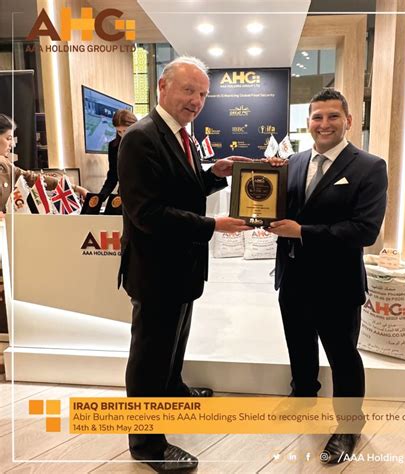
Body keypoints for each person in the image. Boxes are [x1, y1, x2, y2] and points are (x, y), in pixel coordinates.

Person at [118, 56, 250, 472]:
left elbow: (181, 188)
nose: (196, 101)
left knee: (175, 340)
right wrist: (213, 225)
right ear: (162, 86)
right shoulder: (141, 138)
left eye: (203, 94)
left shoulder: (181, 136)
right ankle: (146, 443)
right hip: (155, 269)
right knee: (149, 356)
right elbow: (148, 213)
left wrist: (215, 174)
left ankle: (173, 389)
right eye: (189, 90)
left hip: (182, 265)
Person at [269, 89, 388, 464]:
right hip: (293, 276)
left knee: (343, 356)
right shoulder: (294, 162)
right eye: (317, 117)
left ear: (348, 121)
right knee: (299, 345)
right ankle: (303, 395)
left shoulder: (369, 167)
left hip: (337, 284)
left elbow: (365, 231)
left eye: (333, 116)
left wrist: (302, 231)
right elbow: (279, 209)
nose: (324, 124)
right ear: (308, 122)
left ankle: (349, 426)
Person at [0, 114, 87, 212]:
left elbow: (33, 179)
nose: (12, 144)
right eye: (8, 138)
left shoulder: (5, 164)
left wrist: (75, 188)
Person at [98, 109, 137, 197]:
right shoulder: (113, 146)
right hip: (124, 195)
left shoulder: (144, 143)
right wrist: (100, 198)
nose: (123, 135)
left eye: (125, 131)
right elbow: (113, 176)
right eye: (119, 131)